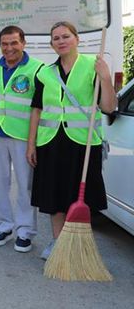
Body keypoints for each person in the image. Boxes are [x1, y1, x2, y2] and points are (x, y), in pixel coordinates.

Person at [26, 21, 116, 260]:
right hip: (51, 143)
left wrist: (106, 78)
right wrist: (31, 144)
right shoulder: (45, 72)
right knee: (53, 196)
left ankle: (77, 245)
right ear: (51, 44)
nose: (61, 41)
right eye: (56, 38)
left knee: (80, 197)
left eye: (66, 36)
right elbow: (36, 110)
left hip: (83, 144)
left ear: (77, 39)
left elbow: (108, 107)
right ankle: (58, 243)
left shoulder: (93, 66)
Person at [0, 26, 43, 253]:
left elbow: (38, 106)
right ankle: (3, 226)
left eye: (14, 43)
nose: (9, 48)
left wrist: (34, 142)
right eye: (4, 44)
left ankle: (25, 230)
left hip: (23, 135)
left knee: (25, 185)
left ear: (23, 43)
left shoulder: (37, 69)